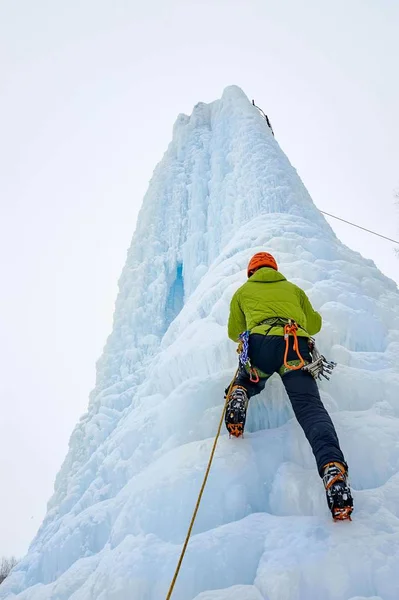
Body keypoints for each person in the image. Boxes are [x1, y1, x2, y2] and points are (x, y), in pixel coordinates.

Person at [225, 252, 353, 521]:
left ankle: (240, 392)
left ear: (251, 272)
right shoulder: (294, 289)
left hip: (260, 345)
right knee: (310, 409)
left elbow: (234, 330)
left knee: (248, 378)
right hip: (294, 346)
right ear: (274, 269)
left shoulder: (242, 292)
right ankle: (332, 469)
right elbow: (314, 324)